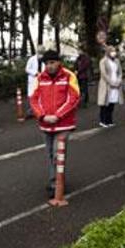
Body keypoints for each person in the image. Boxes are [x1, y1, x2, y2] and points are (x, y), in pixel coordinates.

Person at [29, 50, 81, 198]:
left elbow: (74, 98)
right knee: (50, 154)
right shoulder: (40, 78)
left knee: (57, 155)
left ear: (58, 62)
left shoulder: (69, 76)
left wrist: (57, 116)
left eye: (52, 62)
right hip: (45, 124)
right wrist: (42, 115)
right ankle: (56, 181)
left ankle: (56, 184)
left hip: (63, 124)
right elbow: (33, 99)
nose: (49, 66)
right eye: (46, 63)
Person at [97, 45, 123, 128]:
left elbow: (119, 72)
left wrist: (118, 81)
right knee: (104, 103)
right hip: (106, 85)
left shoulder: (117, 61)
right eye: (111, 51)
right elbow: (103, 74)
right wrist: (111, 82)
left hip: (115, 84)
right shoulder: (103, 61)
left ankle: (109, 120)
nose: (113, 53)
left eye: (114, 51)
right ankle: (103, 120)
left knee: (112, 103)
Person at [24, 47, 45, 117]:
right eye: (40, 53)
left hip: (41, 80)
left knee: (40, 95)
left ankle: (38, 111)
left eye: (42, 53)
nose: (41, 55)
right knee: (32, 95)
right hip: (33, 79)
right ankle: (30, 112)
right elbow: (27, 69)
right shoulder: (31, 59)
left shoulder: (43, 60)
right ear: (37, 52)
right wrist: (35, 73)